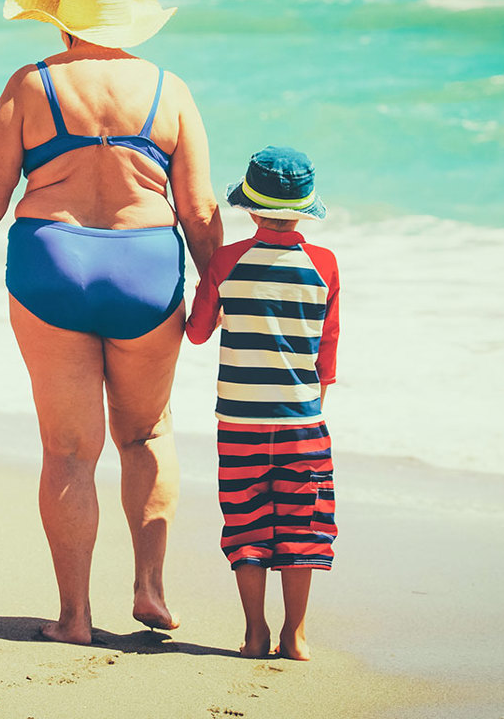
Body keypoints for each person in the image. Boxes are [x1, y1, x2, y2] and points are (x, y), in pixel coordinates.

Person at [0, 0, 222, 645]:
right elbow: (199, 208)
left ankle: (75, 617)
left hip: (52, 263)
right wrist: (214, 290)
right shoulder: (171, 90)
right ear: (130, 23)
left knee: (69, 450)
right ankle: (150, 588)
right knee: (146, 434)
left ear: (60, 25)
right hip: (146, 267)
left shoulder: (31, 86)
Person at [184, 146, 340, 660]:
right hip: (302, 422)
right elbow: (326, 355)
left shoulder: (228, 261)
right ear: (303, 209)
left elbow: (199, 333)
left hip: (239, 423)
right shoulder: (324, 266)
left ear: (249, 208)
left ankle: (254, 633)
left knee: (246, 521)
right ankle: (295, 635)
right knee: (303, 522)